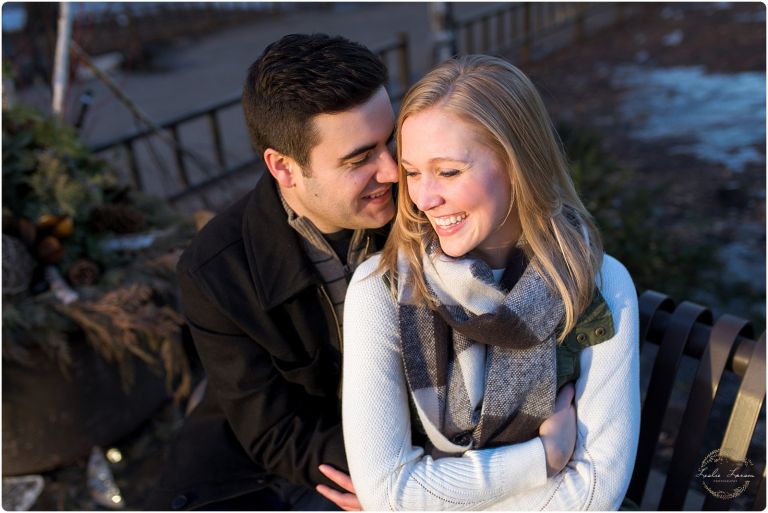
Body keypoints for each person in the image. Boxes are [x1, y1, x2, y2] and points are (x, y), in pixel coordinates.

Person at [341, 54, 641, 510]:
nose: (424, 197)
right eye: (413, 172)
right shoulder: (380, 290)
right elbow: (386, 494)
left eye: (449, 171)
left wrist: (433, 495)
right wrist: (545, 457)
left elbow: (596, 494)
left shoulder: (595, 282)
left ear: (517, 162)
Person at [146, 33, 398, 510]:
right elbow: (276, 430)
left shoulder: (429, 202)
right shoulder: (217, 270)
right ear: (283, 167)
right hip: (298, 470)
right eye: (360, 158)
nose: (392, 171)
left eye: (391, 141)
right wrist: (391, 473)